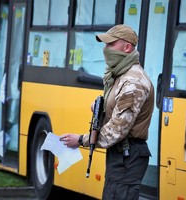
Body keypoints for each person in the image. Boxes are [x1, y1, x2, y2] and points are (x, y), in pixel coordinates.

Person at [60, 24, 154, 200]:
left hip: (128, 158)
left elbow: (117, 130)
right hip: (121, 156)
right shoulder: (119, 76)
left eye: (110, 44)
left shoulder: (133, 82)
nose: (105, 49)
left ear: (127, 47)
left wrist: (81, 140)